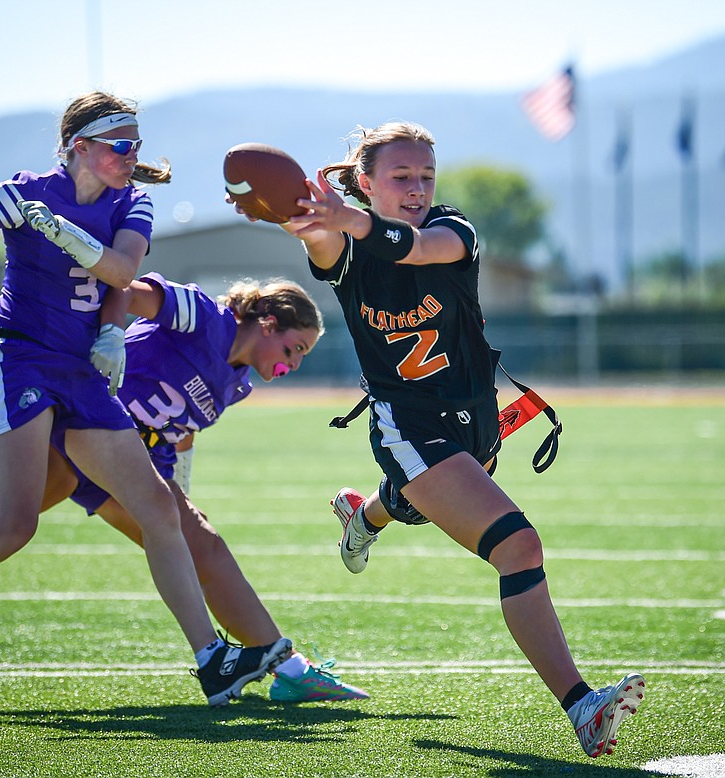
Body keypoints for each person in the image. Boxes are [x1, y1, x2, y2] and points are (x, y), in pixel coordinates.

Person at [0, 91, 291, 718]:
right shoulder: (25, 193)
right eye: (120, 146)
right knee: (12, 524)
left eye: (135, 145)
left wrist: (103, 321)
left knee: (161, 509)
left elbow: (122, 272)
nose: (132, 157)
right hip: (18, 358)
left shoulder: (134, 200)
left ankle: (212, 661)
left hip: (81, 372)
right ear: (80, 147)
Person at [235, 121, 645, 759]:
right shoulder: (346, 247)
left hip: (474, 420)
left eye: (426, 175)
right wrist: (291, 211)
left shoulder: (453, 232)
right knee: (517, 544)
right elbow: (321, 237)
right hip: (411, 424)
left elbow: (414, 249)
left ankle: (365, 512)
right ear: (366, 183)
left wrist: (350, 218)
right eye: (401, 177)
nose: (418, 187)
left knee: (414, 501)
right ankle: (583, 706)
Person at [0, 274, 367, 704]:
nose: (292, 364)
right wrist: (102, 332)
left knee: (193, 539)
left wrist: (180, 489)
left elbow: (179, 434)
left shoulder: (236, 382)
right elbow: (131, 291)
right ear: (267, 322)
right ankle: (270, 666)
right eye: (293, 349)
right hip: (74, 426)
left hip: (111, 456)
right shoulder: (203, 316)